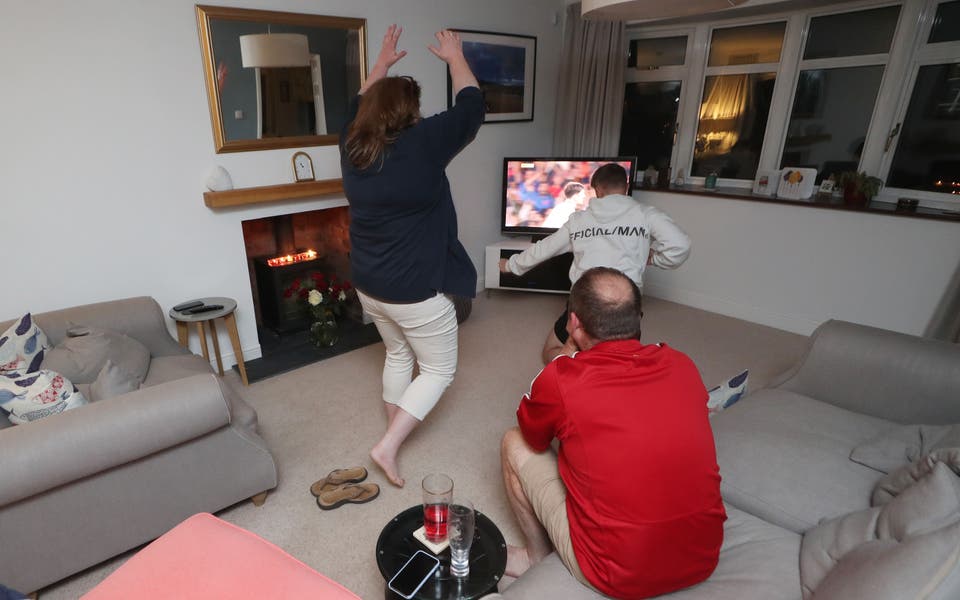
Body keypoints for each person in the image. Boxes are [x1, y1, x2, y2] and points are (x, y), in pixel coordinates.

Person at [500, 267, 726, 598]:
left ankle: (537, 557)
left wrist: (563, 360)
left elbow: (534, 438)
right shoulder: (682, 364)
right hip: (703, 558)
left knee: (513, 442)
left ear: (574, 323)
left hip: (614, 574)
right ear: (637, 318)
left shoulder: (562, 380)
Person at [339, 25, 484, 487]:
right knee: (439, 369)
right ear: (410, 112)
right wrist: (454, 56)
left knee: (399, 353)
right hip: (413, 289)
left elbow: (359, 101)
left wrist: (380, 63)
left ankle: (392, 433)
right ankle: (390, 444)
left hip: (368, 283)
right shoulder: (424, 142)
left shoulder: (351, 144)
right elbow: (472, 106)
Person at [499, 163, 691, 364]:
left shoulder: (578, 220)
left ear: (597, 189)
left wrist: (511, 265)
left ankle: (572, 370)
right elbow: (681, 245)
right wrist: (654, 258)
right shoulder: (646, 214)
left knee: (551, 351)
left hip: (585, 302)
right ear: (625, 187)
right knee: (619, 356)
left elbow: (544, 248)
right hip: (627, 305)